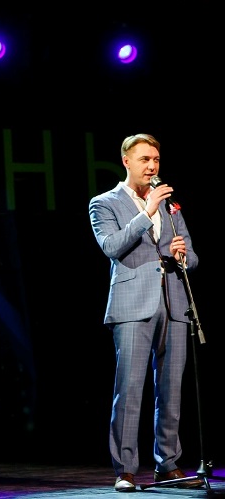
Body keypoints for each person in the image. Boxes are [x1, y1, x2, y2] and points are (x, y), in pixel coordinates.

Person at [88, 133, 203, 492]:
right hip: (133, 303)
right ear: (126, 161)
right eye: (144, 160)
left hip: (173, 301)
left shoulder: (169, 205)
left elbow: (192, 256)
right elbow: (111, 246)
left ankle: (167, 464)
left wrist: (183, 255)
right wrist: (147, 212)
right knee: (130, 388)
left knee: (171, 389)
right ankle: (125, 469)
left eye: (156, 159)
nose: (152, 166)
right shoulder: (104, 203)